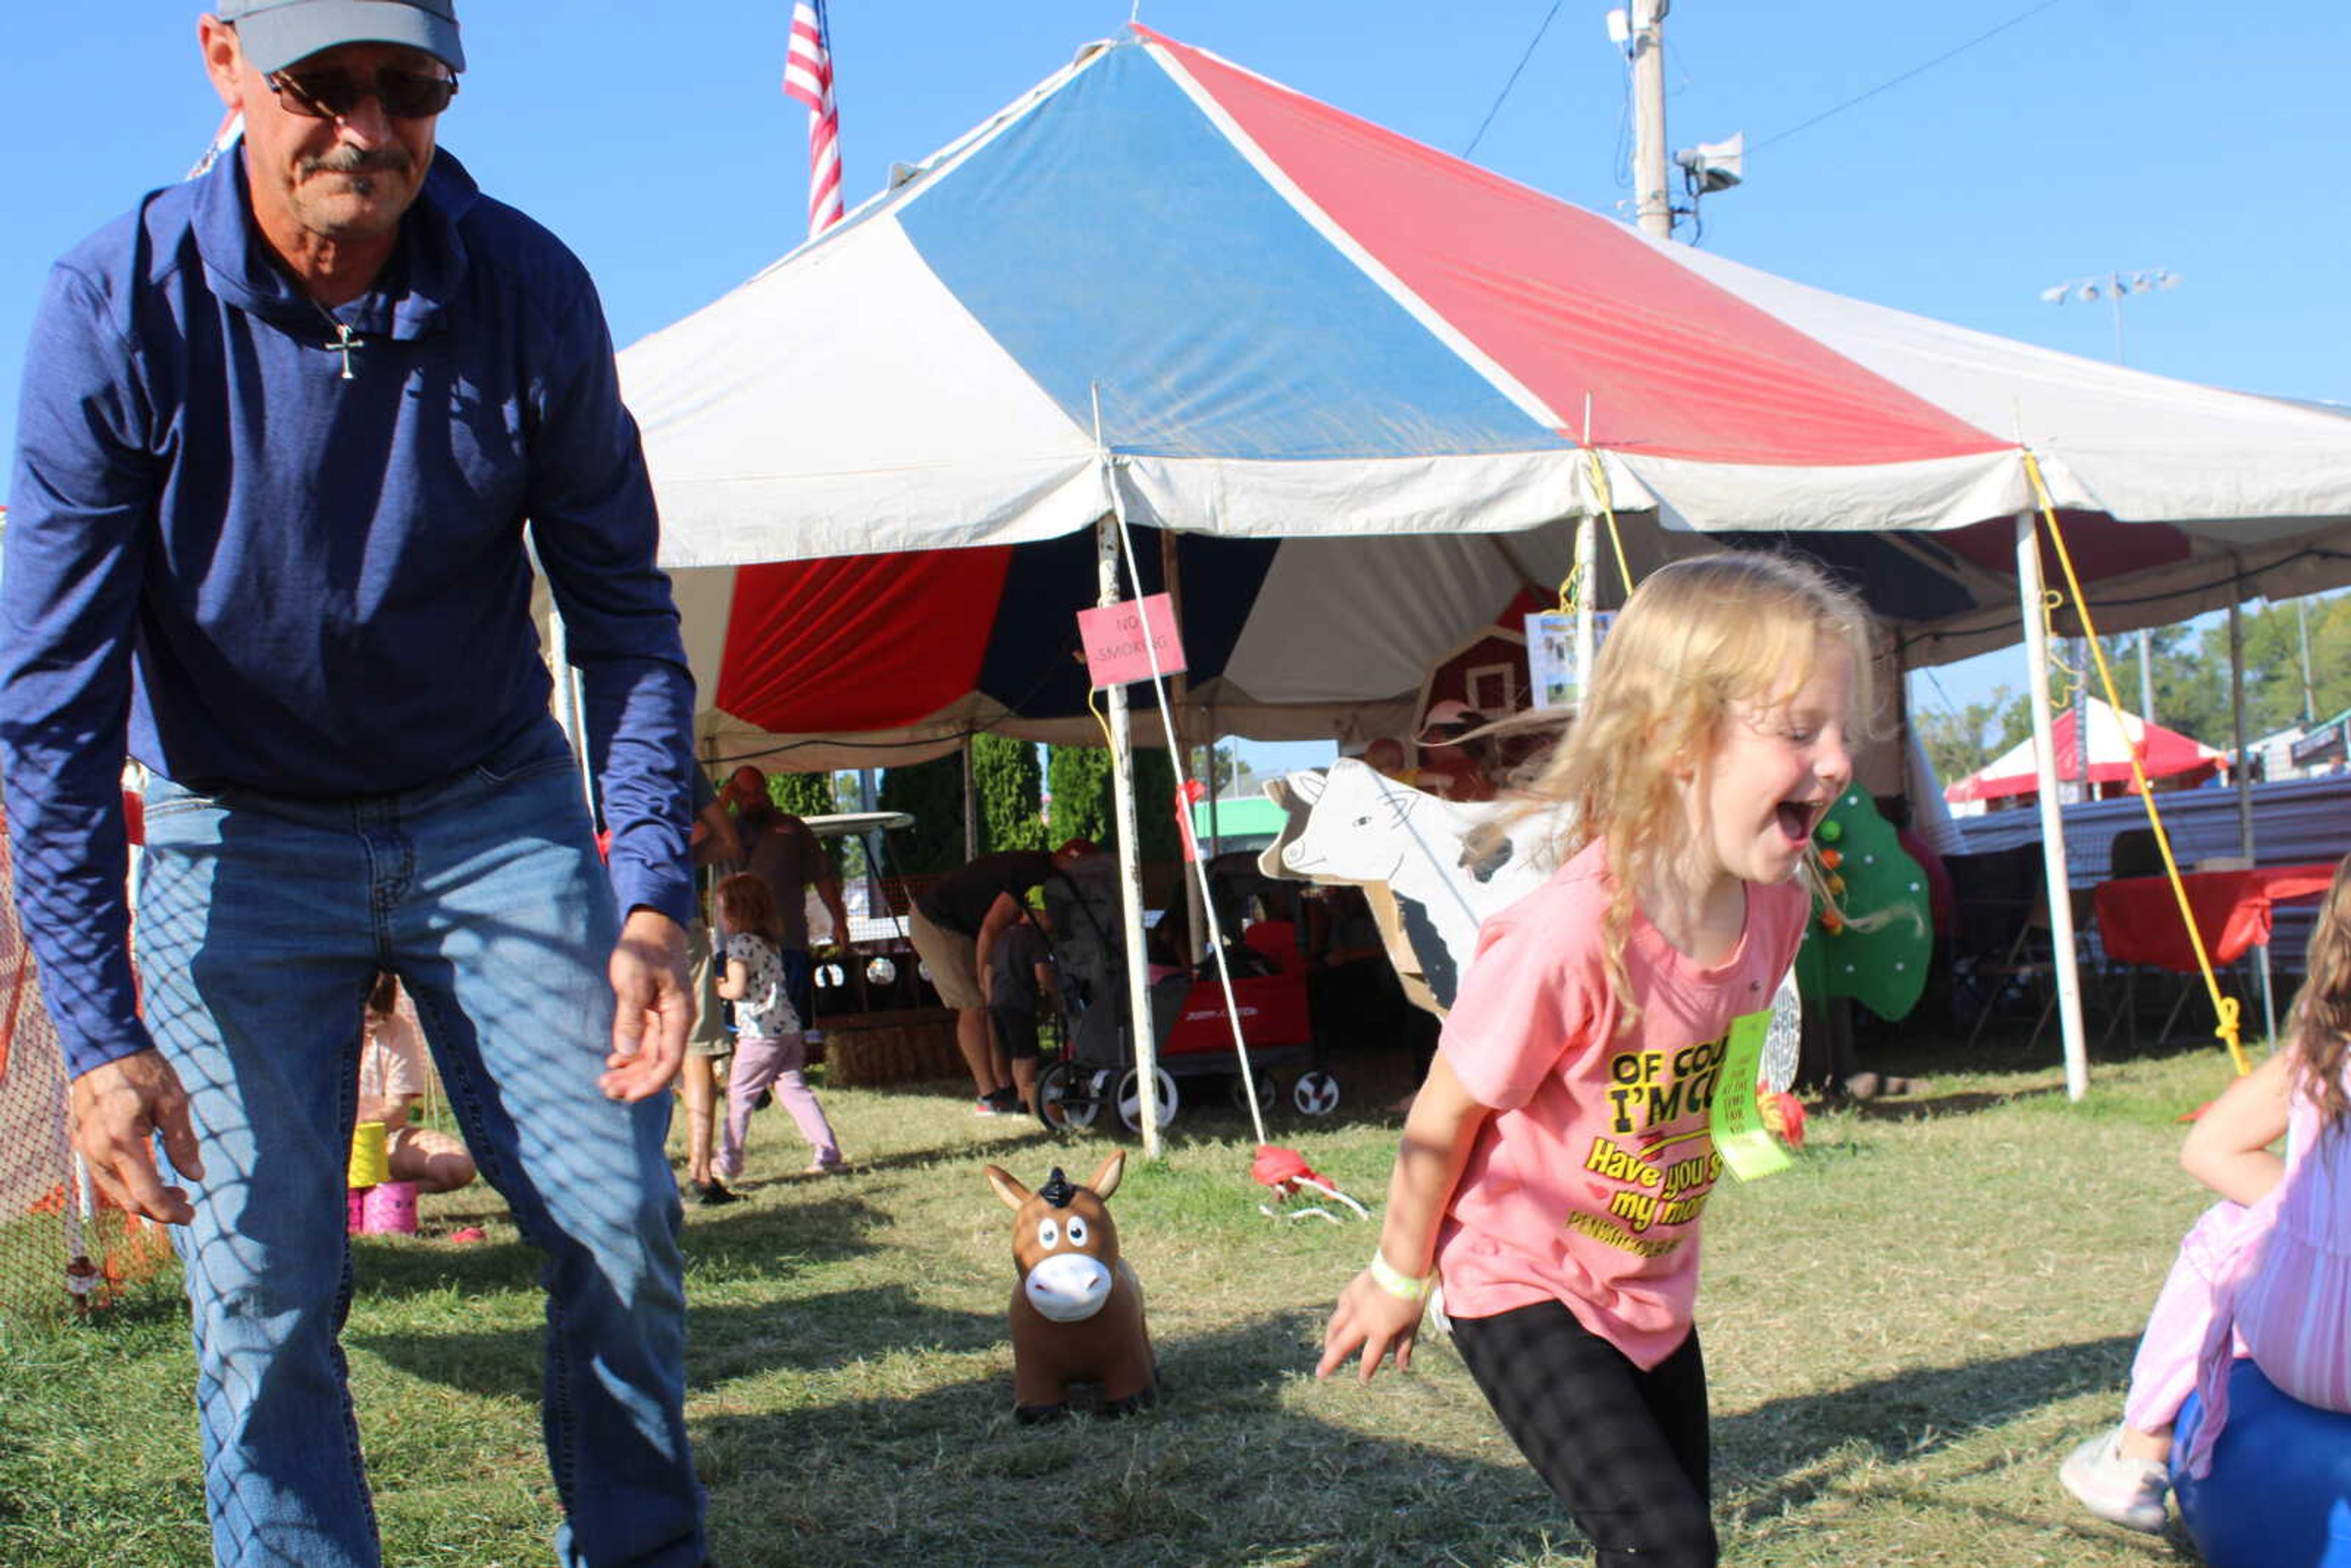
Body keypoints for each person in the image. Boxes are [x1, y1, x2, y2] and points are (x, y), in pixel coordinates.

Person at [0, 4, 709, 1563]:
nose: (370, 132)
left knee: (620, 1217)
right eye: (324, 86)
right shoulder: (111, 309)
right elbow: (47, 714)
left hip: (493, 812)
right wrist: (102, 1036)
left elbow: (626, 622)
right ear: (225, 60)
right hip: (233, 827)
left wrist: (654, 892)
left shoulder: (528, 287)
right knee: (259, 1276)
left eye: (415, 90)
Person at [1318, 553, 1873, 1567]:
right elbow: (1442, 1119)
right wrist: (1399, 1275)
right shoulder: (1571, 932)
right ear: (1672, 738)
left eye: (1845, 732)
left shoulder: (1779, 908)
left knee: (1677, 1534)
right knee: (1665, 1542)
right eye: (1799, 730)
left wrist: (1745, 1124)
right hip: (1517, 1278)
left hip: (1652, 1283)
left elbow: (1730, 1049)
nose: (1837, 760)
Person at [2058, 850, 2351, 1533]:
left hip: (2305, 1351)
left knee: (2226, 1228)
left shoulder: (2321, 1047)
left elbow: (2209, 1146)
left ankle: (2138, 1452)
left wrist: (2312, 1217)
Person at [909, 841, 1094, 1114]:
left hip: (960, 926)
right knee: (974, 1005)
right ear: (1069, 858)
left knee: (990, 1007)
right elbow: (990, 928)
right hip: (938, 922)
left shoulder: (1043, 871)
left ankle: (1005, 1085)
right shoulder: (1031, 872)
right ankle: (989, 1095)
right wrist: (986, 976)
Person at [713, 873, 843, 1180]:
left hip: (759, 1035)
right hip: (788, 1029)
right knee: (796, 1091)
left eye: (720, 909)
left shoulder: (739, 946)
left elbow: (736, 989)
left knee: (740, 1095)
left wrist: (712, 984)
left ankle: (727, 1162)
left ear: (736, 911)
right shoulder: (769, 943)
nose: (718, 916)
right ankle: (828, 1152)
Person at [719, 763, 852, 1033]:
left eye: (758, 792)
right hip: (734, 945)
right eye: (744, 794)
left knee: (792, 1018)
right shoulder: (723, 830)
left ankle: (791, 1069)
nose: (754, 800)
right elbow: (693, 838)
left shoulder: (792, 828)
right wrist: (722, 801)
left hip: (787, 941)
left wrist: (840, 921)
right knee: (742, 1023)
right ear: (734, 795)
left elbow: (823, 876)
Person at [680, 770, 745, 1206]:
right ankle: (700, 1172)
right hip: (672, 917)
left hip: (595, 921)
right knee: (695, 1050)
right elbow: (726, 838)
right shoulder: (669, 752)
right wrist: (677, 863)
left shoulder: (561, 740)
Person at [357, 973, 476, 1194]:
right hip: (320, 1141)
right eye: (366, 1018)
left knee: (458, 1166)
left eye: (379, 1018)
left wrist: (362, 1133)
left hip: (380, 1139)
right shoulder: (314, 1028)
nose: (372, 1026)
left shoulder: (397, 1028)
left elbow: (397, 1110)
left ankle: (382, 1198)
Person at [986, 899, 1060, 1115]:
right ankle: (1023, 1104)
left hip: (999, 1001)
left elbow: (988, 970)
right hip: (1019, 1002)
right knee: (1028, 1054)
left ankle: (1021, 1098)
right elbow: (1042, 974)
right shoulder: (1035, 937)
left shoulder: (1003, 936)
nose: (1052, 923)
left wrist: (992, 998)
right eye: (1049, 916)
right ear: (1037, 913)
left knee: (1017, 1054)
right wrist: (1055, 995)